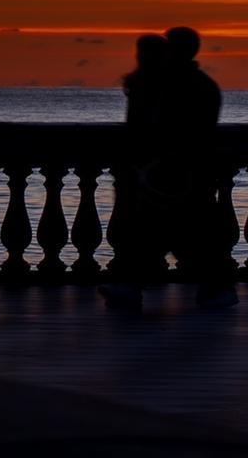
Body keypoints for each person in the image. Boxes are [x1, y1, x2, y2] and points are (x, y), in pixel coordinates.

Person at [98, 27, 237, 310]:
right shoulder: (195, 84)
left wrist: (159, 161)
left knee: (164, 232)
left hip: (174, 173)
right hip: (177, 172)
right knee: (174, 233)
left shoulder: (182, 85)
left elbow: (183, 132)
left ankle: (135, 286)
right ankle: (212, 288)